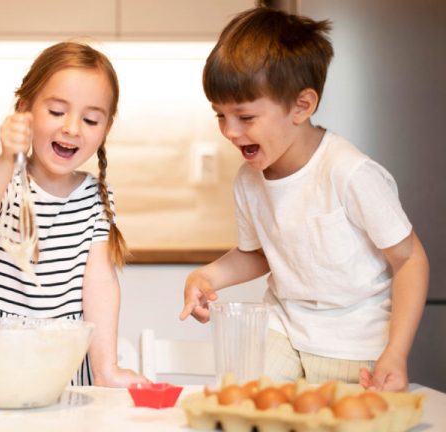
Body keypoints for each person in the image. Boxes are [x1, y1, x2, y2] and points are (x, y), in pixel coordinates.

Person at [179, 8, 429, 392]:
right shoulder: (249, 180)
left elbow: (409, 259)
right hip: (283, 331)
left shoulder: (349, 173)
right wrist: (208, 276)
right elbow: (260, 253)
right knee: (247, 408)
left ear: (302, 106)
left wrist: (395, 351)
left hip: (354, 343)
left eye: (245, 117)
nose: (229, 131)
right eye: (220, 116)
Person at [0, 41, 147, 387]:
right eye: (57, 112)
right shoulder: (4, 178)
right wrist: (3, 159)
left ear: (105, 128)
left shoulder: (95, 196)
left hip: (65, 354)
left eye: (90, 119)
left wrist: (105, 368)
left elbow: (100, 285)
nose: (72, 128)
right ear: (24, 110)